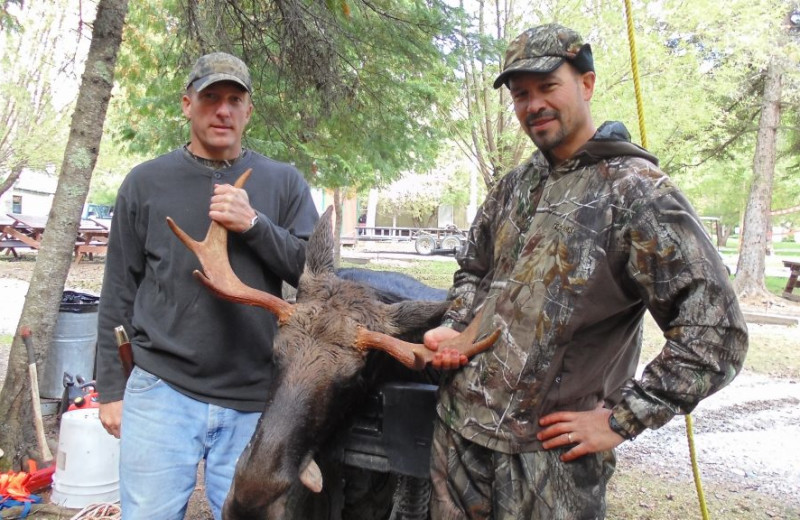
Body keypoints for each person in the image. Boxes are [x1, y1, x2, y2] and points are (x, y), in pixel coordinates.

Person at [423, 24, 748, 519]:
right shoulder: (513, 186)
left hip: (548, 462)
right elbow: (474, 269)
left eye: (548, 87)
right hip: (458, 434)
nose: (533, 105)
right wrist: (458, 325)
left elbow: (716, 332)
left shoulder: (637, 193)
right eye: (521, 95)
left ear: (587, 84)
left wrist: (621, 419)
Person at [95, 52, 319, 519]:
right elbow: (119, 289)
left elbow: (314, 274)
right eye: (211, 98)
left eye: (235, 100)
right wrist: (112, 390)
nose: (223, 110)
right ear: (186, 104)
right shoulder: (146, 183)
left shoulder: (284, 182)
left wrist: (253, 223)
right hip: (162, 390)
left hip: (254, 398)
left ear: (248, 111)